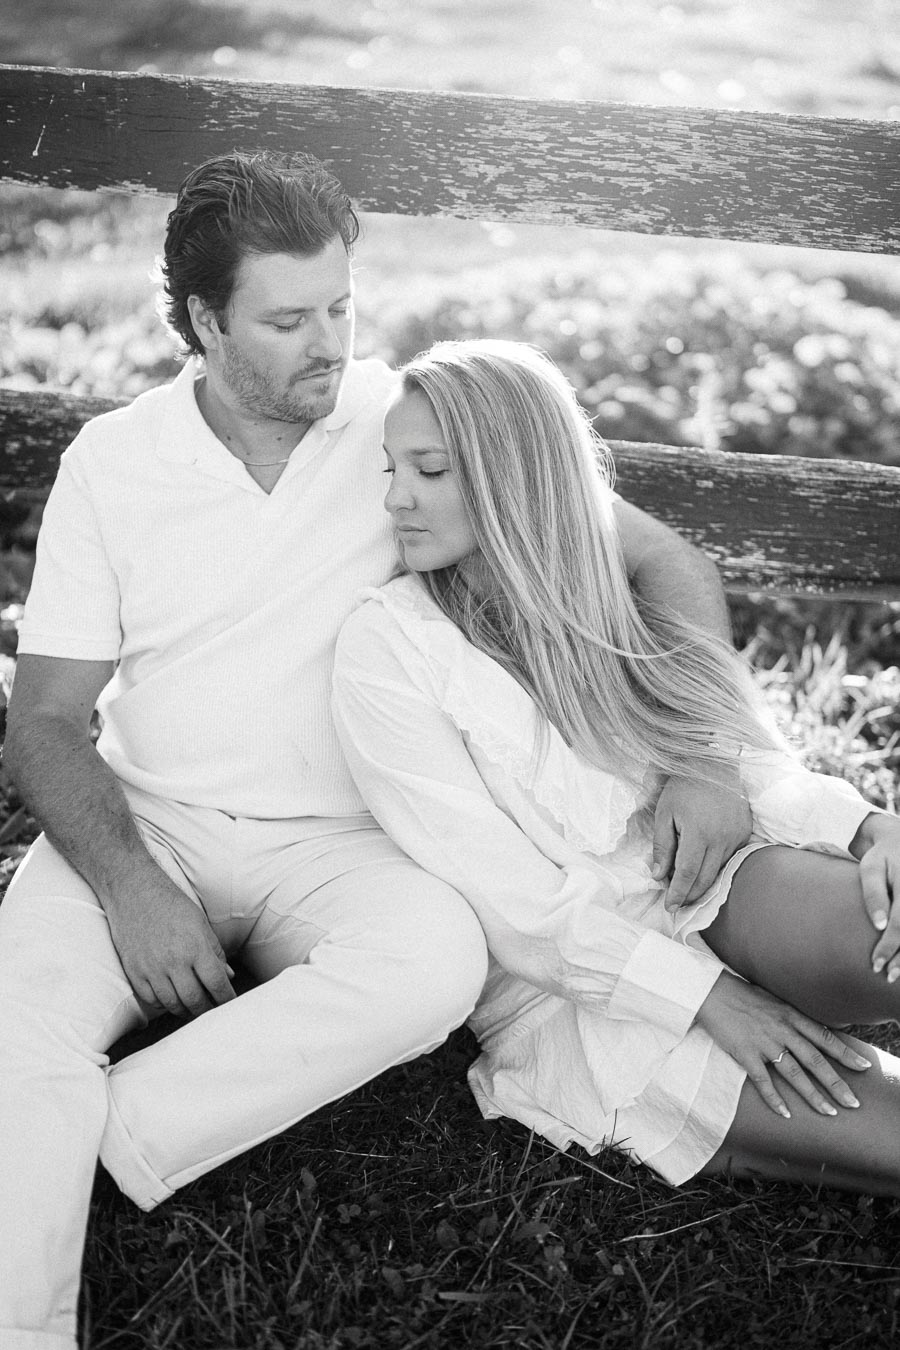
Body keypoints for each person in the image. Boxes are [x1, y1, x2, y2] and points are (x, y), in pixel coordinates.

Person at [0, 154, 737, 1349]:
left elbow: (665, 565)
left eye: (341, 306)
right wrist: (130, 884)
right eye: (287, 320)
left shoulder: (411, 428)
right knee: (16, 1024)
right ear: (204, 323)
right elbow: (42, 721)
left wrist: (704, 757)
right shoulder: (113, 462)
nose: (329, 344)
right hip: (150, 822)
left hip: (354, 845)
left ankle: (101, 1132)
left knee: (433, 966)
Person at [332, 337, 900, 1197]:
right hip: (586, 995)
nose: (394, 498)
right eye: (392, 468)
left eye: (430, 470)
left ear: (513, 477)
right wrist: (708, 999)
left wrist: (865, 828)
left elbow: (727, 749)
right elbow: (511, 905)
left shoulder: (602, 589)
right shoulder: (385, 648)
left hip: (712, 883)